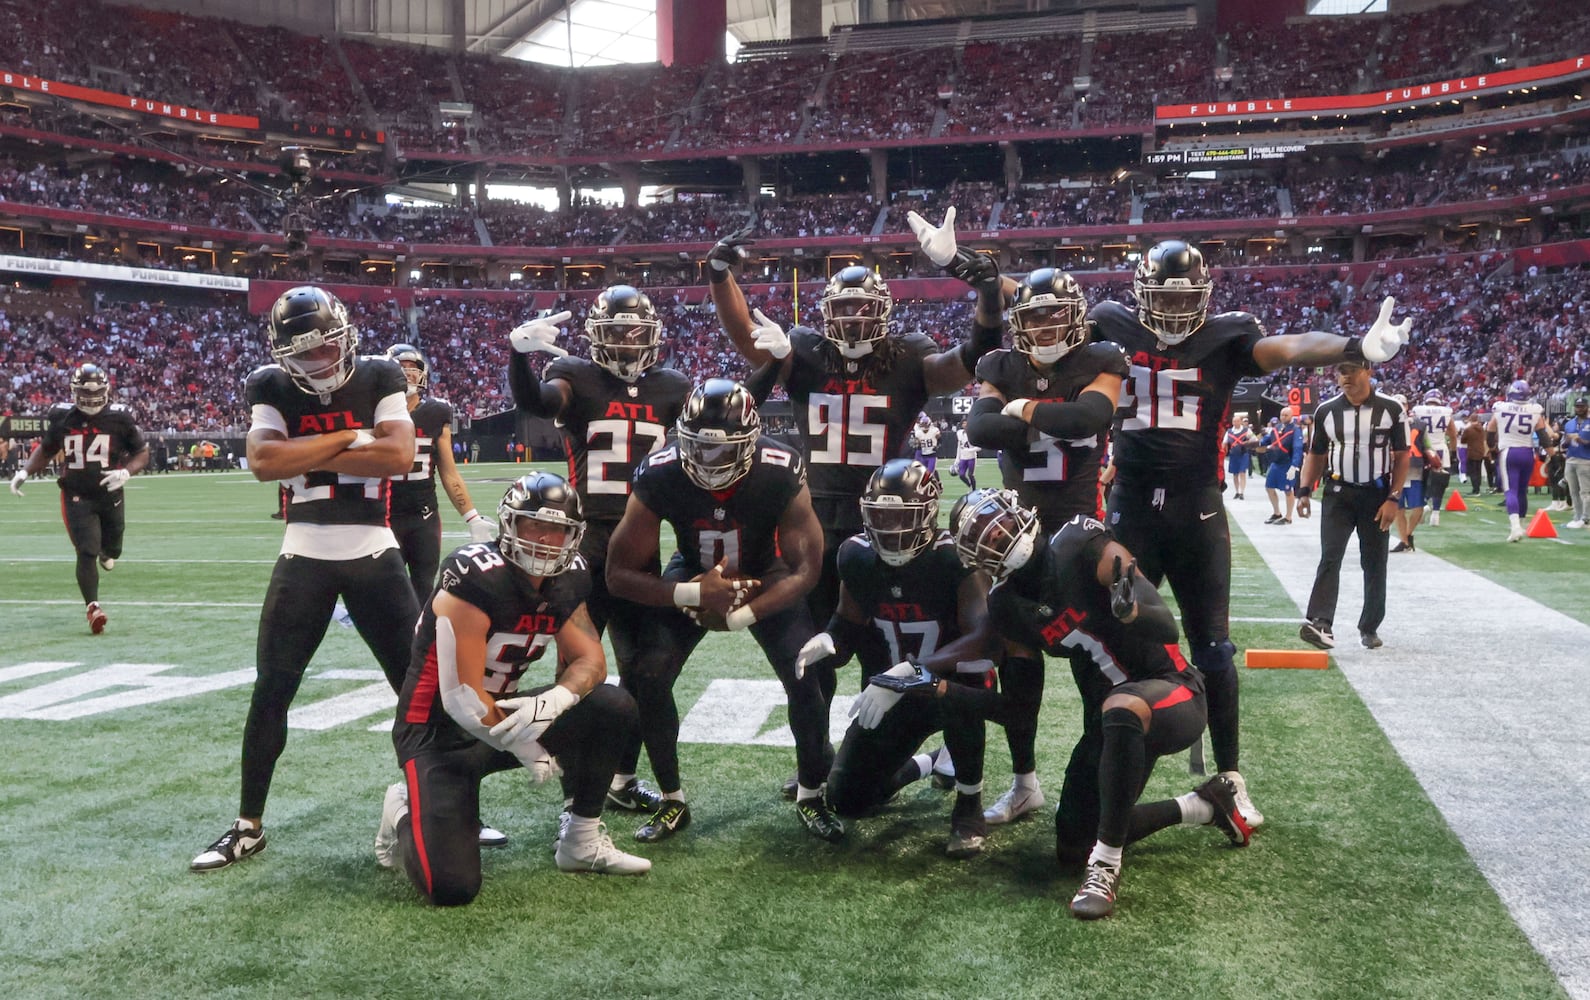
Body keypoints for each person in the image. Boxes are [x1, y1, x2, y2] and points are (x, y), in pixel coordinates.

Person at [1089, 240, 1412, 825]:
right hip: (1131, 504)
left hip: (1195, 509)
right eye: (1160, 296)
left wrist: (1353, 346)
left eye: (1182, 296)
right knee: (1112, 644)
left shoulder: (1227, 337)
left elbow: (1289, 347)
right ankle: (1102, 768)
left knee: (1212, 647)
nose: (1170, 309)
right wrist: (978, 277)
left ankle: (1230, 777)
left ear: (1205, 296)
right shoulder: (1110, 326)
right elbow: (1045, 316)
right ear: (1140, 294)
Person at [705, 218, 999, 796]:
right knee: (813, 660)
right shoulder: (803, 351)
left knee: (881, 656)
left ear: (885, 312)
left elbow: (976, 356)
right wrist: (719, 274)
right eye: (845, 309)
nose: (855, 322)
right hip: (812, 528)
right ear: (825, 313)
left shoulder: (910, 356)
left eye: (866, 309)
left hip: (891, 527)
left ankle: (900, 762)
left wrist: (981, 287)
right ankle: (817, 764)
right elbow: (746, 338)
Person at [887, 490, 1248, 919]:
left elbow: (1165, 624)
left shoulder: (1078, 542)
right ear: (976, 559)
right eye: (986, 537)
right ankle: (1205, 804)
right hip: (1110, 722)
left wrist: (1133, 612)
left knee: (1120, 707)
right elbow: (1019, 710)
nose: (1000, 538)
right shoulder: (1006, 605)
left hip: (1174, 690)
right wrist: (945, 690)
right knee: (1072, 845)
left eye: (1001, 525)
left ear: (1022, 513)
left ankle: (1105, 868)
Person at [191, 286, 420, 873]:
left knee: (417, 689)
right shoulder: (269, 383)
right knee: (272, 689)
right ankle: (248, 825)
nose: (317, 362)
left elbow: (397, 457)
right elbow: (264, 464)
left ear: (345, 337)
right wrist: (347, 438)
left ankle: (442, 801)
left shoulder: (380, 376)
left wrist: (304, 450)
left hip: (374, 547)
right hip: (305, 551)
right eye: (304, 354)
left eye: (325, 350)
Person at [379, 473, 651, 905]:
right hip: (437, 733)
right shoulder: (473, 575)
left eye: (559, 530)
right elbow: (460, 699)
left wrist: (554, 700)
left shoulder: (571, 576)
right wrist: (527, 745)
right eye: (534, 526)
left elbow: (591, 661)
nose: (546, 540)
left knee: (613, 706)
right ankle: (407, 806)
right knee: (451, 888)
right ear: (509, 525)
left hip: (503, 714)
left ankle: (580, 841)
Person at [605, 379, 840, 842]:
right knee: (647, 674)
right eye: (698, 448)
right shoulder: (660, 471)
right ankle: (672, 800)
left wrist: (740, 613)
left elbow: (805, 568)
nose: (709, 462)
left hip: (765, 573)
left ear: (752, 440)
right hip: (693, 572)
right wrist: (693, 595)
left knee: (806, 673)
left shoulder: (780, 468)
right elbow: (618, 574)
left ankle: (811, 793)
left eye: (722, 450)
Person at [507, 286, 692, 814]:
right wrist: (519, 357)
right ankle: (575, 795)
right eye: (618, 333)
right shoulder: (576, 376)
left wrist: (769, 368)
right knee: (578, 671)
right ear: (596, 337)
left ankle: (620, 779)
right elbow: (535, 403)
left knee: (642, 675)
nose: (630, 344)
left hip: (639, 545)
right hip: (584, 546)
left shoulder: (672, 387)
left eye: (638, 334)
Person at [964, 266, 1127, 826]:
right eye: (1033, 315)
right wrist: (1052, 418)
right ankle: (1024, 783)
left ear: (1076, 315)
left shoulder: (1101, 359)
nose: (1046, 324)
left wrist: (1024, 410)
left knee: (1091, 661)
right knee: (1018, 658)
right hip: (1017, 534)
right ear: (1018, 322)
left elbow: (1093, 414)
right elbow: (981, 430)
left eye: (1055, 313)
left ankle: (1091, 784)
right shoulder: (999, 365)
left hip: (1080, 532)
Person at [802, 460, 994, 857]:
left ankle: (969, 803)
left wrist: (914, 671)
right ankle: (928, 762)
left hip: (943, 685)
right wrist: (828, 639)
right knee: (848, 799)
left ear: (928, 514)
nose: (890, 528)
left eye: (899, 517)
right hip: (889, 695)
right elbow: (847, 623)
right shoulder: (855, 556)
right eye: (881, 517)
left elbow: (982, 638)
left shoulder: (953, 557)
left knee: (973, 679)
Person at [9, 362, 149, 634]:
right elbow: (47, 449)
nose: (91, 398)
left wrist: (126, 472)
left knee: (113, 548)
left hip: (110, 492)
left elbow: (142, 452)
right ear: (74, 392)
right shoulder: (62, 417)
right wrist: (24, 471)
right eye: (86, 392)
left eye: (95, 392)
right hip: (76, 494)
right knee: (86, 550)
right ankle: (93, 607)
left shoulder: (120, 417)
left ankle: (108, 553)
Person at [1296, 360, 1410, 651]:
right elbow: (1316, 452)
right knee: (1330, 556)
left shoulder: (1392, 409)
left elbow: (1402, 456)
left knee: (1374, 562)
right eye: (1340, 371)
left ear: (1368, 371)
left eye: (1352, 370)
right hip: (1338, 493)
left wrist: (1394, 498)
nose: (1345, 377)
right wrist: (1304, 490)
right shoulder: (1326, 410)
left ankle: (1369, 626)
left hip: (1376, 494)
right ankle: (1321, 622)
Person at [386, 343, 496, 598]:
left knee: (424, 589)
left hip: (423, 517)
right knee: (387, 593)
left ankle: (421, 638)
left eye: (412, 370)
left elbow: (448, 471)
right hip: (382, 517)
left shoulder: (434, 412)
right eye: (400, 369)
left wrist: (472, 517)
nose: (407, 375)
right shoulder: (373, 413)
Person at [1490, 380, 1548, 542]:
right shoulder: (1535, 410)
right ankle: (1521, 525)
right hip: (1527, 452)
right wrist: (1552, 452)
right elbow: (1542, 434)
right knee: (1522, 490)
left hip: (1509, 451)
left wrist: (1491, 447)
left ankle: (1515, 527)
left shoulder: (1501, 407)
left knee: (1510, 490)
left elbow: (1490, 428)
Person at [1389, 394, 1433, 553]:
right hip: (1401, 469)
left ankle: (1406, 538)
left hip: (1409, 469)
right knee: (1398, 505)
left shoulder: (1417, 424)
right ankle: (1405, 540)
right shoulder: (1417, 424)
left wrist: (1432, 456)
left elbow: (1427, 445)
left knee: (1414, 506)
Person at [1410, 389, 1457, 526]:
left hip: (1423, 449)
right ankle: (1435, 514)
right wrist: (1453, 452)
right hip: (1440, 449)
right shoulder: (1446, 411)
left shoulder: (1418, 410)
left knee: (1422, 481)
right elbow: (1453, 434)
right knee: (1439, 483)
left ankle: (1424, 503)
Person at [1563, 396, 1590, 529]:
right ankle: (1577, 516)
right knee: (1573, 491)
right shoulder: (1569, 423)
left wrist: (1583, 441)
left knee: (1585, 491)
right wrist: (1566, 442)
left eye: (1582, 406)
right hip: (1571, 459)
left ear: (1587, 407)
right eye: (1577, 406)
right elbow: (1563, 444)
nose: (1579, 409)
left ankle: (1586, 518)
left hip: (1586, 460)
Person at [1222, 415, 1257, 499]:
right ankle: (1237, 491)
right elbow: (1224, 442)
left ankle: (1242, 492)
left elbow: (1254, 439)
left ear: (1240, 422)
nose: (1235, 423)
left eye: (1237, 421)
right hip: (1233, 455)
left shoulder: (1246, 430)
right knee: (1235, 474)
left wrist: (1247, 443)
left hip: (1243, 454)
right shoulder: (1229, 431)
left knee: (1242, 473)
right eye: (1234, 421)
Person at [1459, 412, 1492, 495]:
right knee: (1478, 471)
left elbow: (1463, 440)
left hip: (1472, 451)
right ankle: (1478, 488)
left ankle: (1475, 489)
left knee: (1473, 472)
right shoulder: (1482, 428)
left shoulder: (1468, 429)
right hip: (1480, 451)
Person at [952, 420, 979, 489]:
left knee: (970, 475)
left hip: (972, 457)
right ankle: (970, 485)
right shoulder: (959, 433)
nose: (965, 425)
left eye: (966, 423)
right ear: (961, 425)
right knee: (961, 475)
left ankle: (974, 490)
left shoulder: (973, 433)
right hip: (963, 458)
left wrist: (970, 450)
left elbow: (979, 447)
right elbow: (959, 447)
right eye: (964, 423)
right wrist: (957, 459)